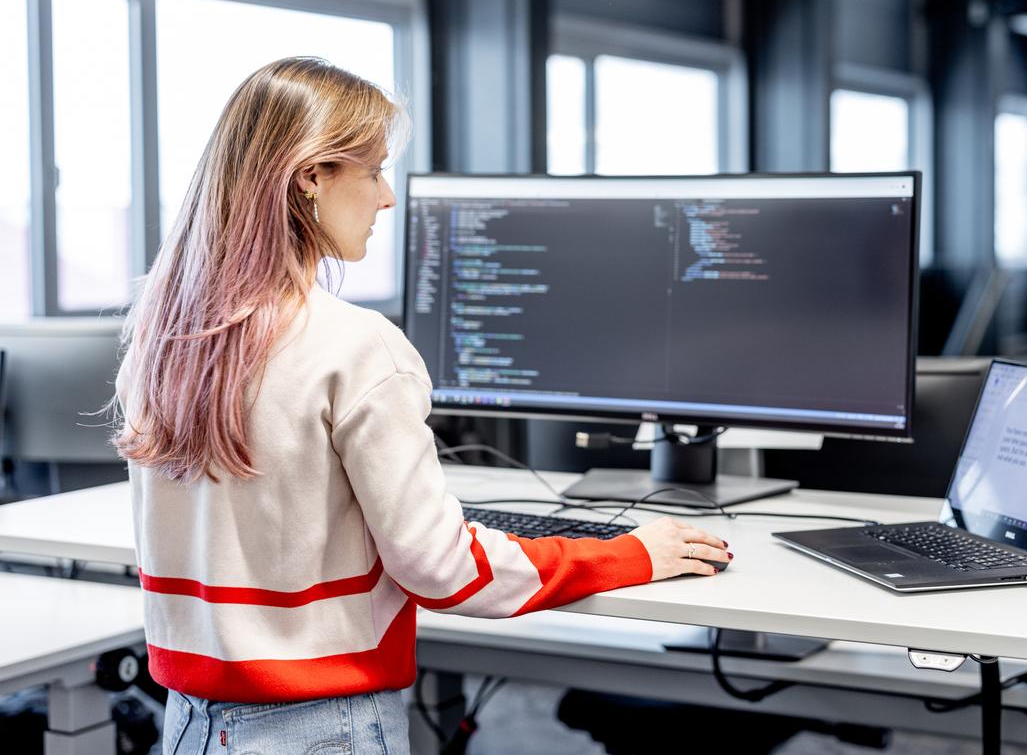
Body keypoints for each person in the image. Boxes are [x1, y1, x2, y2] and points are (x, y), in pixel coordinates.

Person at [112, 57, 729, 754]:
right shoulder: (353, 345)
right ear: (311, 177)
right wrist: (627, 555)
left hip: (191, 722)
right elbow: (443, 570)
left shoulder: (162, 338)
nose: (386, 198)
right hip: (320, 726)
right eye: (373, 170)